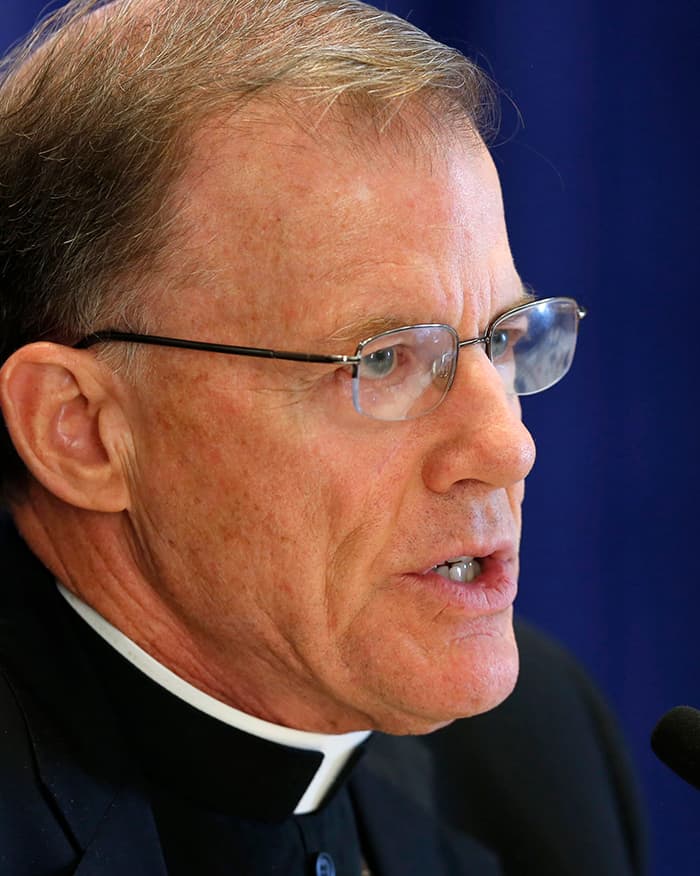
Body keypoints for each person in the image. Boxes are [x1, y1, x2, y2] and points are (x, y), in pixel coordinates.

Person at [0, 1, 645, 873]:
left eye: (500, 339)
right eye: (383, 361)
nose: (508, 449)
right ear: (80, 430)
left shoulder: (536, 751)